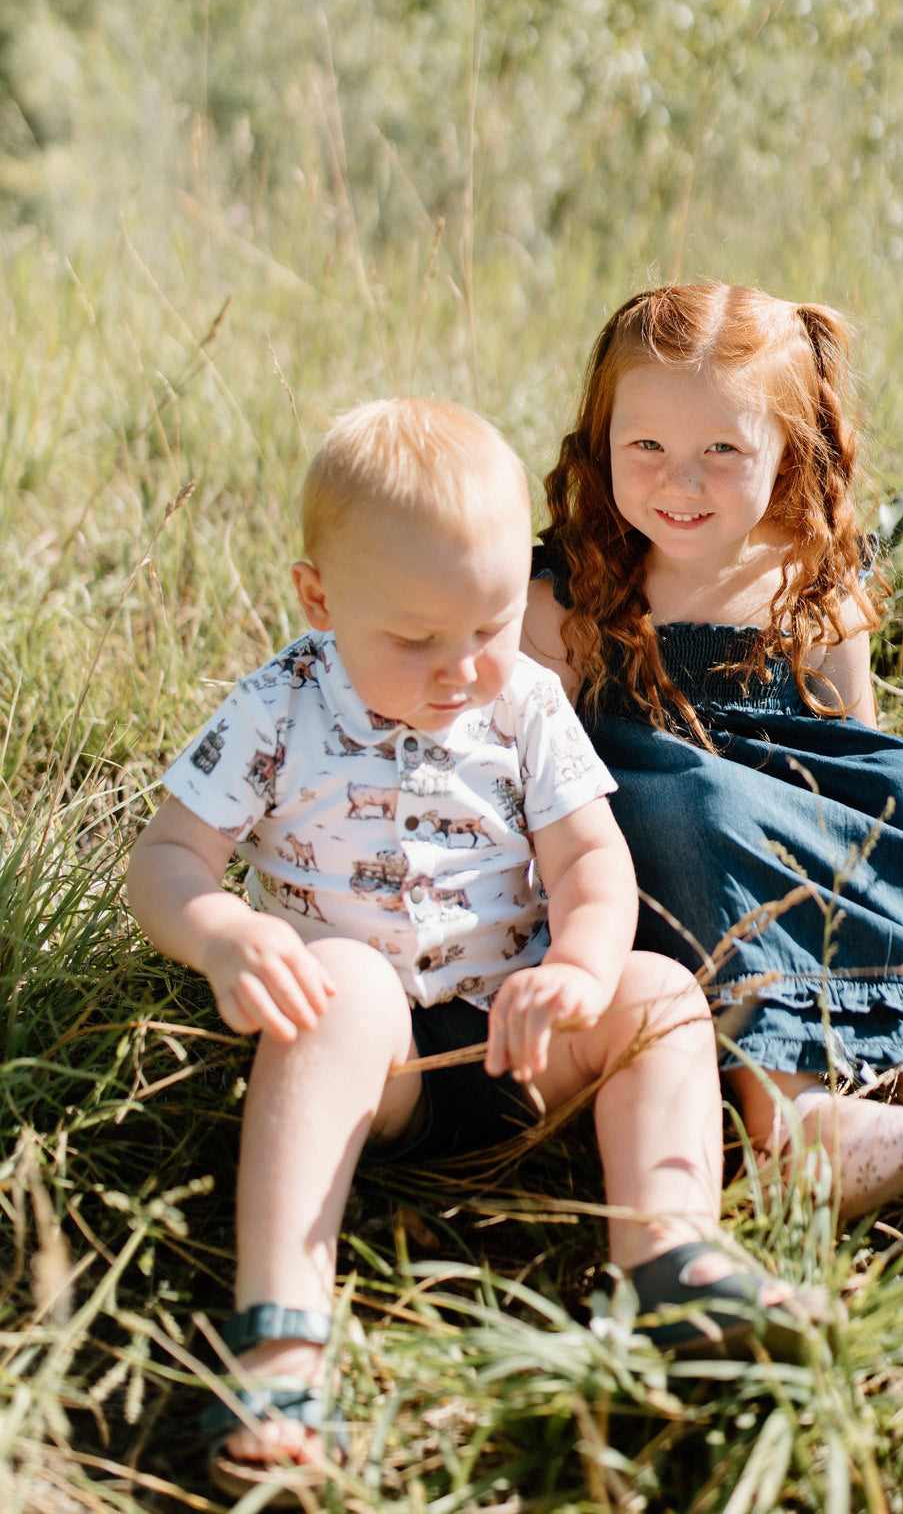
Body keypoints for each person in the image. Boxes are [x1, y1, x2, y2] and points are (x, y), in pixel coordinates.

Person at [127, 398, 823, 1503]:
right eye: (414, 639)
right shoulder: (277, 707)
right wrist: (226, 933)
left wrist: (578, 971)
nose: (461, 670)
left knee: (657, 997)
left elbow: (593, 870)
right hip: (372, 1064)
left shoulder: (526, 708)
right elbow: (165, 856)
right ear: (319, 599)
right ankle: (281, 1337)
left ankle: (675, 1258)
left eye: (491, 627)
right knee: (345, 985)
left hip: (519, 1038)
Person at [524, 281, 903, 1216]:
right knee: (694, 799)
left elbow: (847, 747)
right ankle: (794, 1117)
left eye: (723, 450)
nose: (681, 480)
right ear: (601, 438)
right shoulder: (569, 590)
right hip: (660, 828)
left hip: (778, 811)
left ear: (787, 452)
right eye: (647, 446)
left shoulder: (809, 574)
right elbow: (527, 766)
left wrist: (866, 811)